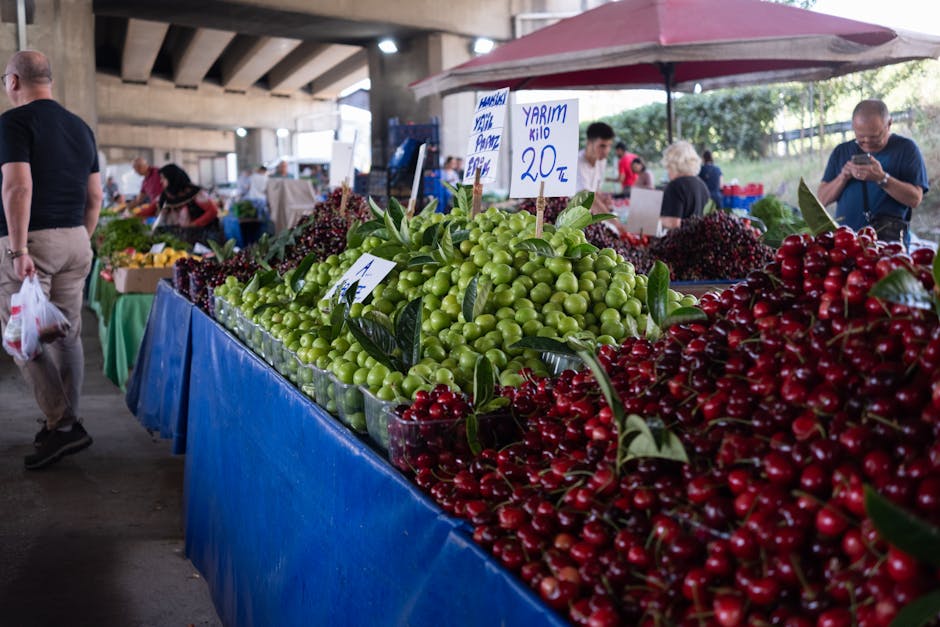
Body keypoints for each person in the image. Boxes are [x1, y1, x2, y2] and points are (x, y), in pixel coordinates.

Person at [0, 50, 100, 469]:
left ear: (15, 81)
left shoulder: (14, 122)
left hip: (32, 245)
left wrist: (20, 249)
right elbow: (95, 196)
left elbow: (17, 187)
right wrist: (80, 239)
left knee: (21, 336)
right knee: (66, 334)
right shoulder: (80, 128)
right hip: (77, 241)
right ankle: (62, 427)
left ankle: (63, 423)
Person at [818, 99, 928, 246]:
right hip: (846, 244)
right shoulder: (841, 151)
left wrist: (882, 178)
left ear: (889, 124)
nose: (867, 141)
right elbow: (821, 200)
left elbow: (915, 199)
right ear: (853, 126)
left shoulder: (906, 149)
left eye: (875, 137)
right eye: (861, 137)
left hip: (889, 245)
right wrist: (843, 177)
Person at [135, 164, 220, 243]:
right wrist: (134, 216)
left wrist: (193, 224)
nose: (161, 181)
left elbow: (212, 211)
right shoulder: (165, 196)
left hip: (200, 237)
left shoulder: (195, 193)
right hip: (177, 238)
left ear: (172, 178)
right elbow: (151, 209)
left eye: (163, 178)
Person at [660, 141, 710, 230]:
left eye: (667, 167)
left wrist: (655, 219)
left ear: (673, 165)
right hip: (698, 241)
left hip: (680, 241)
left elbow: (673, 223)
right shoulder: (702, 185)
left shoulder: (675, 186)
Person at [576, 122, 615, 213]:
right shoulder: (577, 163)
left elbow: (594, 192)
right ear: (589, 143)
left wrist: (602, 198)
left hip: (590, 216)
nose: (606, 151)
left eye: (609, 146)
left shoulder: (601, 161)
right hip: (574, 219)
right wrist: (616, 223)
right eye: (602, 146)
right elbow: (587, 197)